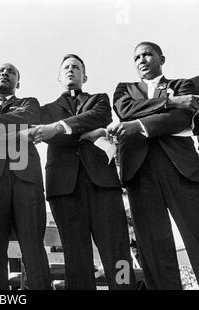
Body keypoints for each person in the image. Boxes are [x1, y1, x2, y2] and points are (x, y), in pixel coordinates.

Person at [31, 54, 136, 290]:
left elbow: (100, 117)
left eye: (76, 67)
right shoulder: (46, 110)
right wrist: (93, 132)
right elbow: (54, 137)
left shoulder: (99, 99)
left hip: (103, 185)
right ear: (58, 77)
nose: (71, 70)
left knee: (117, 251)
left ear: (84, 76)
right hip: (64, 188)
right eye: (66, 67)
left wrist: (60, 128)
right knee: (76, 256)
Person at [107, 41, 199, 289]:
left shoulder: (181, 86)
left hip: (181, 168)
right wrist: (171, 103)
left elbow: (182, 117)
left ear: (162, 58)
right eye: (137, 57)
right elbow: (126, 110)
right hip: (140, 171)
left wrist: (139, 125)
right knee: (154, 247)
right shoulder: (123, 89)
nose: (142, 60)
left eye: (148, 54)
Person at [0, 63, 51, 290]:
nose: (5, 74)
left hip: (26, 180)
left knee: (33, 246)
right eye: (1, 72)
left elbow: (29, 117)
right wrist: (15, 128)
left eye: (11, 72)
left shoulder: (29, 103)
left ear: (18, 83)